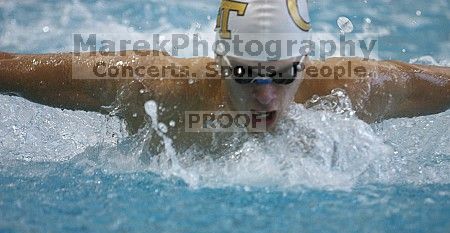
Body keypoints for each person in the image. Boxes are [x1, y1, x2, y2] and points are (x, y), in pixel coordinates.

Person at [0, 0, 449, 150]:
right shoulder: (154, 85)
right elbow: (11, 69)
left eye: (283, 74)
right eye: (246, 75)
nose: (266, 97)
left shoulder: (353, 87)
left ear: (305, 64)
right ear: (219, 64)